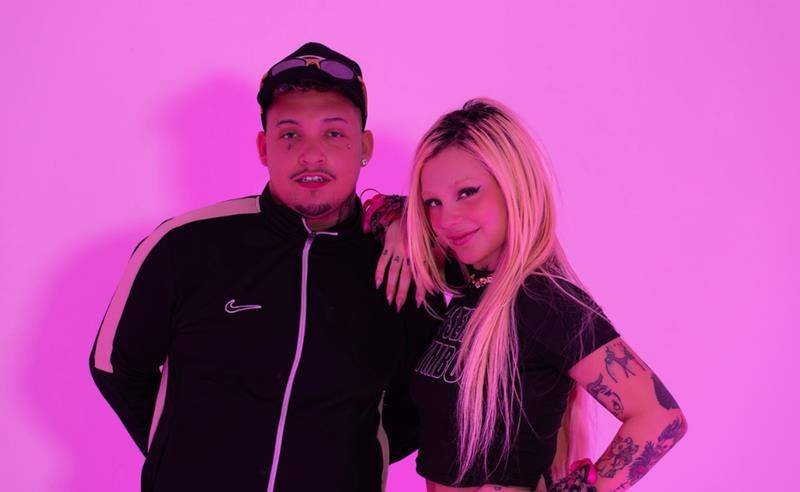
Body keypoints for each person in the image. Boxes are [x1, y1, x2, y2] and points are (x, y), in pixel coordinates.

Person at [89, 42, 437, 492]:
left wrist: (348, 460)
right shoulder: (184, 245)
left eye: (334, 134)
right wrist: (182, 461)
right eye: (289, 135)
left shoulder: (400, 266)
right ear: (263, 147)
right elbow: (116, 365)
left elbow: (428, 398)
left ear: (364, 146)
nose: (311, 155)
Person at [373, 99, 687, 491]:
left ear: (514, 187)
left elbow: (659, 416)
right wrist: (400, 224)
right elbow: (385, 212)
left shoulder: (546, 301)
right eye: (432, 202)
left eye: (467, 192)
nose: (447, 219)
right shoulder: (473, 287)